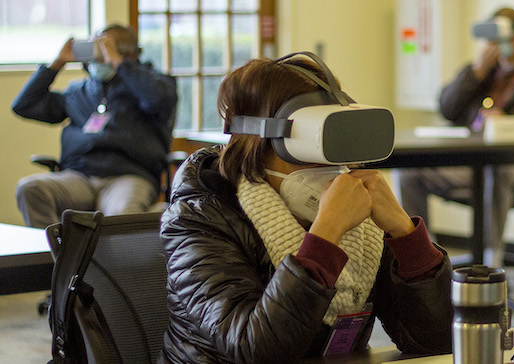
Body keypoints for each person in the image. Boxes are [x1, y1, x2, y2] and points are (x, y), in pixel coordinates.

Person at [158, 55, 453, 362]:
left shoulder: (363, 229)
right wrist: (325, 236)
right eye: (311, 148)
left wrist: (406, 235)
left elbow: (435, 341)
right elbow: (256, 349)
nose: (331, 165)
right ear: (256, 143)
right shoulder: (198, 218)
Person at [397, 7, 514, 267]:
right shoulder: (479, 72)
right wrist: (476, 73)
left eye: (502, 38)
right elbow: (447, 108)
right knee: (409, 172)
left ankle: (491, 260)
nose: (496, 45)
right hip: (469, 165)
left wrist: (509, 125)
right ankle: (423, 256)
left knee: (495, 169)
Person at [11, 24, 177, 228]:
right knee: (31, 188)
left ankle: (111, 260)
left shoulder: (151, 86)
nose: (97, 56)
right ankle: (61, 258)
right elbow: (24, 105)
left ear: (129, 53)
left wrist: (120, 63)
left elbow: (160, 100)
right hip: (79, 177)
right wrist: (57, 63)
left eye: (104, 48)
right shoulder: (78, 92)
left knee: (122, 215)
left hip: (128, 176)